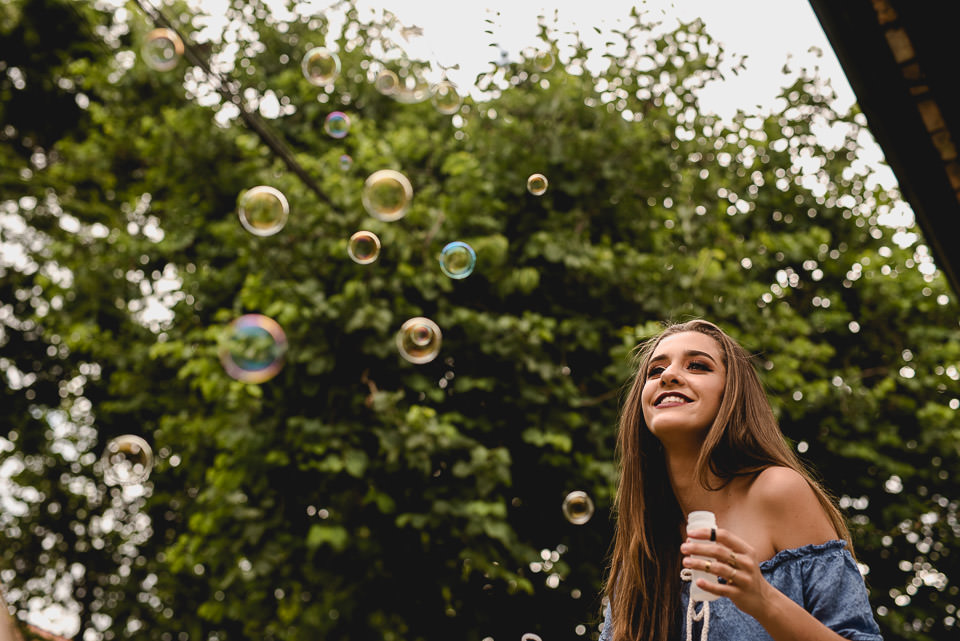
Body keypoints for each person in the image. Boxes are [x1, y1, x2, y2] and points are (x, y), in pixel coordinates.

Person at [598, 319, 883, 641]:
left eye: (697, 366)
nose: (668, 375)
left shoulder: (777, 491)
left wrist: (764, 600)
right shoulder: (644, 540)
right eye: (655, 370)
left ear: (732, 395)